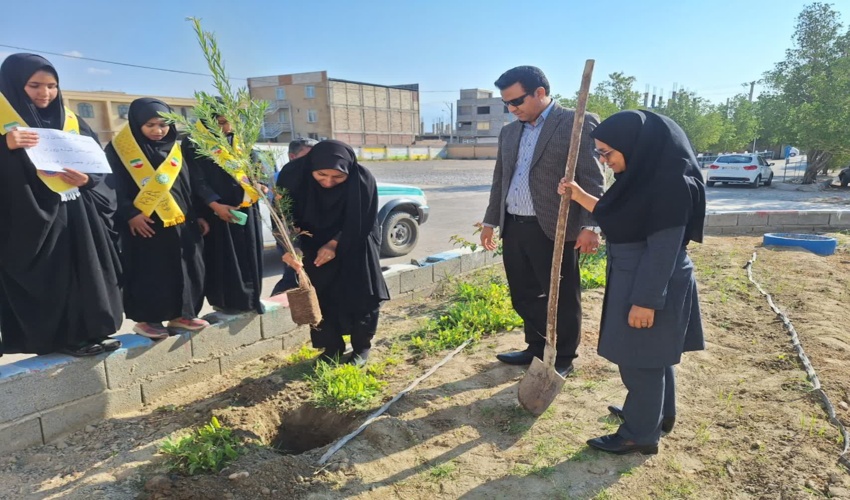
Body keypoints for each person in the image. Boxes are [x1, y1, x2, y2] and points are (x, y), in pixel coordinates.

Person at [558, 109, 706, 455]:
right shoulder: (641, 178)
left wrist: (646, 300)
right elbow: (617, 215)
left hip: (649, 278)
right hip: (635, 273)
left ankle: (639, 434)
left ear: (634, 146)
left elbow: (664, 249)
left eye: (607, 153)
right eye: (599, 153)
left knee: (640, 359)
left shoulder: (668, 185)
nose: (603, 161)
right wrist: (579, 194)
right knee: (655, 355)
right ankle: (657, 414)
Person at [480, 65, 604, 377]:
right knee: (523, 292)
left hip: (554, 228)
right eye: (506, 103)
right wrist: (490, 221)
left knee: (561, 295)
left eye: (517, 101)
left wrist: (591, 225)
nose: (511, 109)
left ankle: (563, 356)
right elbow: (501, 179)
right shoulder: (510, 132)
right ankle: (535, 346)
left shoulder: (576, 123)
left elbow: (592, 177)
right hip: (514, 225)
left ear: (540, 92)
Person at [0, 53, 123, 356]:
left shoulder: (70, 119)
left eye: (52, 86)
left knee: (83, 272)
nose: (45, 94)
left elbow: (98, 165)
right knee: (49, 277)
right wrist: (5, 144)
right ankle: (57, 340)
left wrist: (87, 179)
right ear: (15, 83)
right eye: (35, 85)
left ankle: (88, 332)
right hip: (25, 218)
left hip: (75, 211)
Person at [277, 140, 389, 365]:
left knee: (360, 293)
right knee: (320, 294)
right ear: (311, 168)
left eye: (338, 177)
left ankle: (361, 348)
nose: (328, 182)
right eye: (320, 175)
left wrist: (334, 243)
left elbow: (361, 219)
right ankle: (332, 347)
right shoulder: (293, 175)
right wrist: (290, 247)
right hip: (311, 243)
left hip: (356, 239)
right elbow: (281, 215)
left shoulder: (362, 179)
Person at [105, 98, 208, 339]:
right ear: (136, 123)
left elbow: (186, 187)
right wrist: (130, 214)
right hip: (145, 226)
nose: (158, 131)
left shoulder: (176, 149)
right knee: (151, 271)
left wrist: (197, 215)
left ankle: (182, 315)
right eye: (150, 125)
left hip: (181, 223)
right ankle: (148, 320)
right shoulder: (119, 150)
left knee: (184, 267)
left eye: (163, 125)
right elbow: (112, 187)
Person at [185, 112, 265, 314]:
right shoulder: (194, 142)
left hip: (247, 208)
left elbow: (255, 168)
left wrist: (261, 184)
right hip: (217, 211)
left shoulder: (240, 140)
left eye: (231, 122)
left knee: (250, 253)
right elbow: (196, 179)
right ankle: (227, 301)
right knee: (225, 258)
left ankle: (253, 298)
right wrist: (214, 204)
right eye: (220, 123)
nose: (227, 128)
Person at [270, 138, 319, 296]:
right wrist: (291, 244)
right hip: (291, 235)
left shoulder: (314, 175)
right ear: (292, 156)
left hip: (310, 234)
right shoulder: (283, 178)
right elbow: (281, 215)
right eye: (309, 156)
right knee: (293, 275)